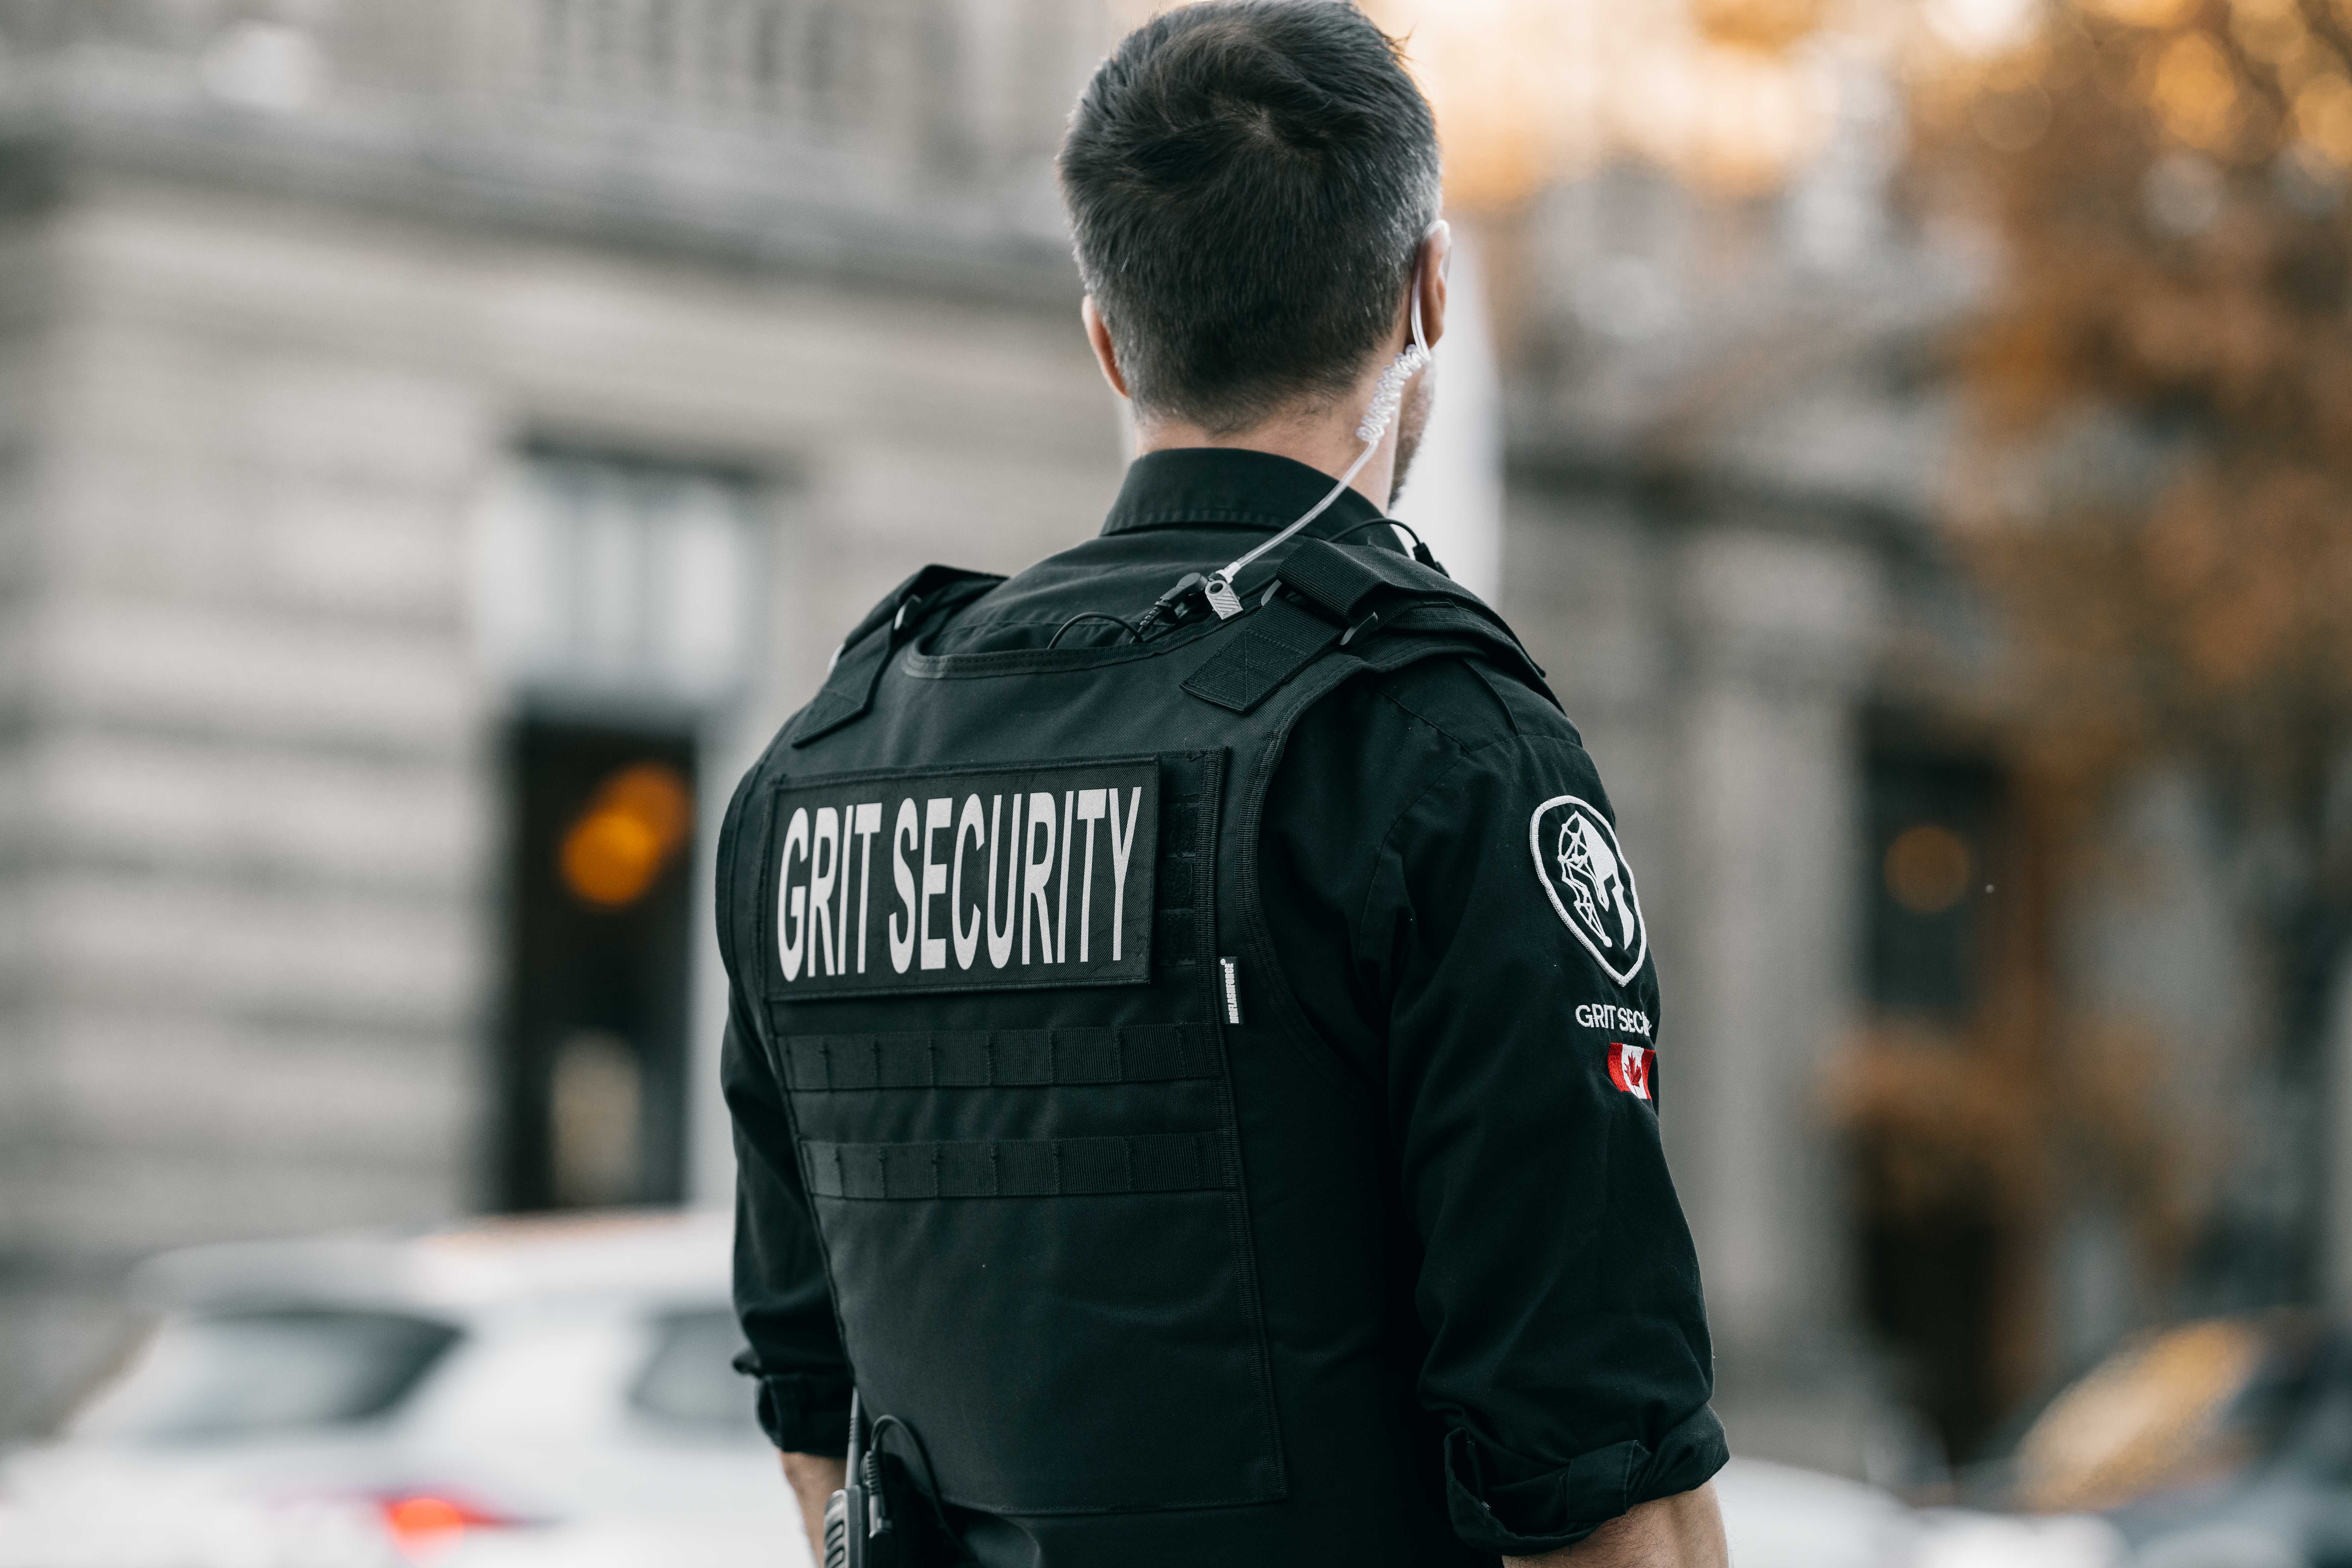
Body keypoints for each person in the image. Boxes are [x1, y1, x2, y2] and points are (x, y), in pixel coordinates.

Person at [720, 4, 1729, 1564]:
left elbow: (815, 1434)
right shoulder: (1442, 749)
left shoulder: (823, 771)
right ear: (1430, 292)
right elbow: (1605, 1493)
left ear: (1109, 337)